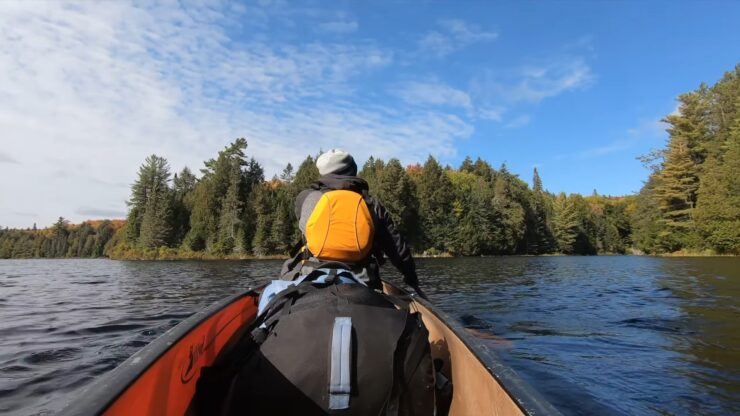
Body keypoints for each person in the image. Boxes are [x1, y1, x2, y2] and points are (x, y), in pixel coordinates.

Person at [280, 149, 424, 297]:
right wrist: (411, 278)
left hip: (310, 277)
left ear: (323, 173)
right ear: (352, 170)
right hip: (364, 282)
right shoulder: (371, 204)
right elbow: (397, 248)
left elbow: (304, 231)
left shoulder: (305, 198)